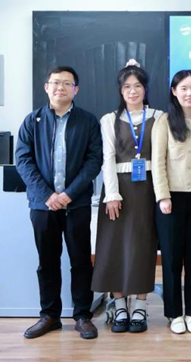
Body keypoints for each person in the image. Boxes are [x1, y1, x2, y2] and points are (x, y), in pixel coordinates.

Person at [15, 66, 102, 340]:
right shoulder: (32, 121)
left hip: (76, 204)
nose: (60, 87)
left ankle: (83, 315)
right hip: (43, 206)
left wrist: (69, 194)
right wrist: (48, 195)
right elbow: (23, 160)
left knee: (81, 261)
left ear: (76, 89)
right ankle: (50, 315)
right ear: (46, 87)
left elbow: (94, 161)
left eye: (67, 83)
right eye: (55, 82)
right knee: (47, 261)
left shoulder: (88, 121)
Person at [92, 60, 162, 333]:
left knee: (143, 246)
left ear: (145, 89)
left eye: (138, 86)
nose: (133, 91)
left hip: (148, 188)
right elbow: (107, 158)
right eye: (127, 87)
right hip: (118, 190)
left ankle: (141, 306)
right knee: (114, 247)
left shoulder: (159, 117)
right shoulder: (109, 119)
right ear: (120, 91)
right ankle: (120, 305)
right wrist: (111, 194)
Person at [152, 69, 191, 334]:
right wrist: (163, 196)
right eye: (184, 88)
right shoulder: (164, 121)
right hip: (173, 198)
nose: (189, 93)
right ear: (174, 92)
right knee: (172, 258)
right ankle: (174, 313)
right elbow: (158, 162)